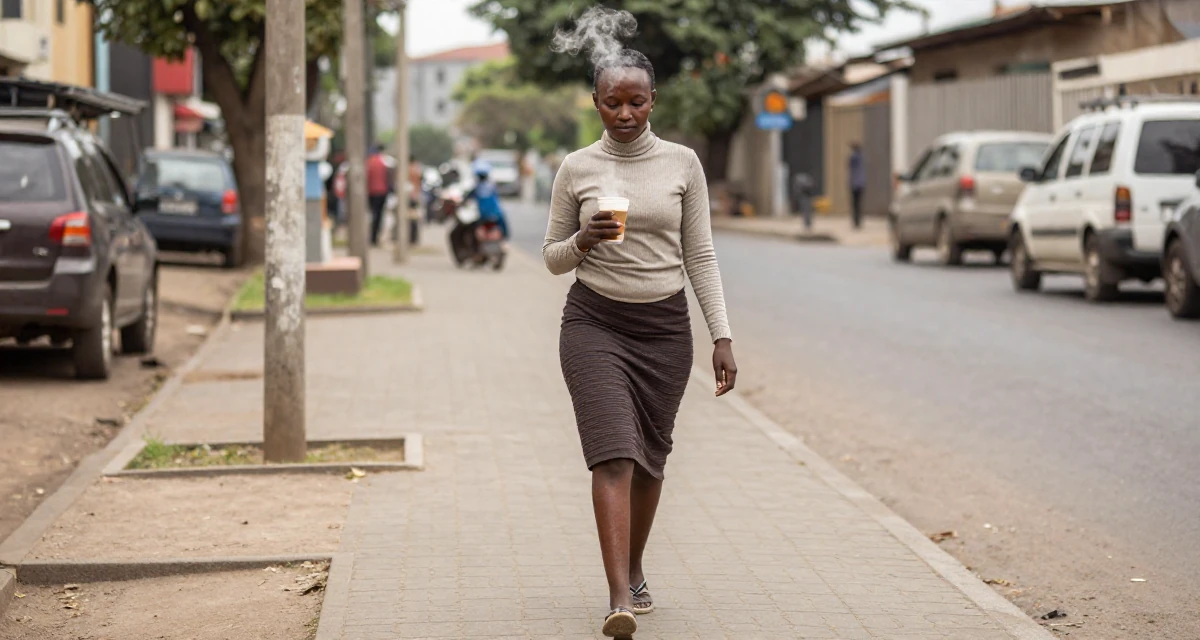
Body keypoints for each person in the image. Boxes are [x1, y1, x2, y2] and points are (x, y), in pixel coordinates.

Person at [542, 49, 737, 639]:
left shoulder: (683, 163)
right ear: (596, 102)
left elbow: (699, 253)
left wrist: (721, 335)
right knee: (614, 452)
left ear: (653, 102)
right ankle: (619, 598)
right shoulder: (577, 167)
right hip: (593, 324)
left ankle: (636, 566)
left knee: (651, 459)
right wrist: (583, 238)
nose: (624, 113)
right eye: (612, 102)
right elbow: (552, 258)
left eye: (636, 101)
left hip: (665, 329)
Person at [464, 160, 509, 240]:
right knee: (504, 226)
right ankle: (505, 239)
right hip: (496, 214)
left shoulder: (477, 187)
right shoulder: (492, 186)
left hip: (482, 216)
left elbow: (468, 197)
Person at [366, 144, 392, 246]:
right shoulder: (384, 162)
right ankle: (375, 237)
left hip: (371, 192)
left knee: (372, 214)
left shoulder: (369, 162)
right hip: (382, 192)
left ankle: (372, 236)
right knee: (379, 215)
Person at [848, 142, 866, 230]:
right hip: (861, 183)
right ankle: (858, 221)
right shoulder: (861, 157)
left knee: (855, 204)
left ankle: (856, 221)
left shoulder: (853, 157)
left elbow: (851, 169)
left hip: (855, 183)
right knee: (858, 204)